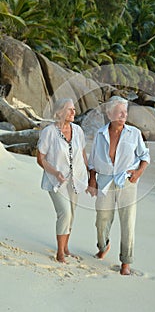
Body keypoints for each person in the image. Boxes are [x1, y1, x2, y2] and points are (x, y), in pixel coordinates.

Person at [88, 96, 150, 275]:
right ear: (110, 114)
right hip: (105, 181)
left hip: (127, 183)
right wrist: (92, 180)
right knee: (101, 220)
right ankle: (103, 245)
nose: (124, 115)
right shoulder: (100, 134)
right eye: (119, 112)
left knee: (127, 223)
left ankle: (126, 261)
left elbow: (145, 156)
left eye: (125, 112)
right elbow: (92, 161)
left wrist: (138, 173)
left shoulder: (134, 133)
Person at [37, 98, 88, 263]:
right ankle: (60, 253)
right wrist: (56, 172)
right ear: (59, 112)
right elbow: (40, 158)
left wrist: (89, 176)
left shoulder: (78, 130)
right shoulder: (49, 132)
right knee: (64, 213)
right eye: (69, 109)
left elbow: (83, 154)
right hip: (56, 181)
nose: (74, 112)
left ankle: (66, 248)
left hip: (75, 180)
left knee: (71, 215)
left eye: (74, 109)